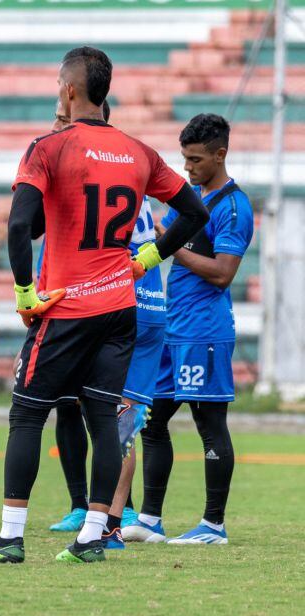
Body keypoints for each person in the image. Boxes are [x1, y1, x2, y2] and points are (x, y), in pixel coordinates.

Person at [0, 46, 209, 564]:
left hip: (68, 305)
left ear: (69, 89)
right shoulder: (137, 151)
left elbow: (20, 226)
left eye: (57, 85)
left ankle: (9, 539)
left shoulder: (49, 148)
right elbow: (194, 210)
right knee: (101, 417)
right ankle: (92, 537)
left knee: (26, 416)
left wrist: (26, 291)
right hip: (121, 307)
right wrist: (150, 255)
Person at [127, 113, 253, 546]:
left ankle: (213, 525)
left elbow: (222, 274)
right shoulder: (192, 196)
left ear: (220, 155)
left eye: (195, 159)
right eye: (184, 158)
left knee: (209, 423)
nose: (187, 167)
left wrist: (170, 246)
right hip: (170, 329)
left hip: (204, 332)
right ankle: (149, 519)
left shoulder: (234, 207)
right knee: (152, 420)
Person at [44, 101, 164, 547]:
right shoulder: (126, 166)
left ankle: (113, 520)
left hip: (119, 302)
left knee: (117, 419)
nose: (58, 128)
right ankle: (103, 514)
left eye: (62, 120)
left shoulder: (86, 168)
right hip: (140, 301)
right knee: (109, 415)